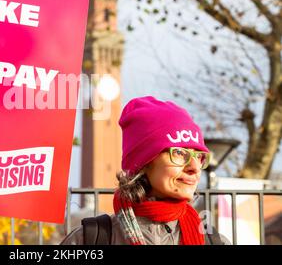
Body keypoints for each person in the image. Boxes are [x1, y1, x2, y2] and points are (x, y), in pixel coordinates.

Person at [61, 96, 230, 245]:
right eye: (179, 153)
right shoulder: (89, 240)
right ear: (144, 162)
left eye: (199, 156)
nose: (194, 167)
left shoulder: (214, 241)